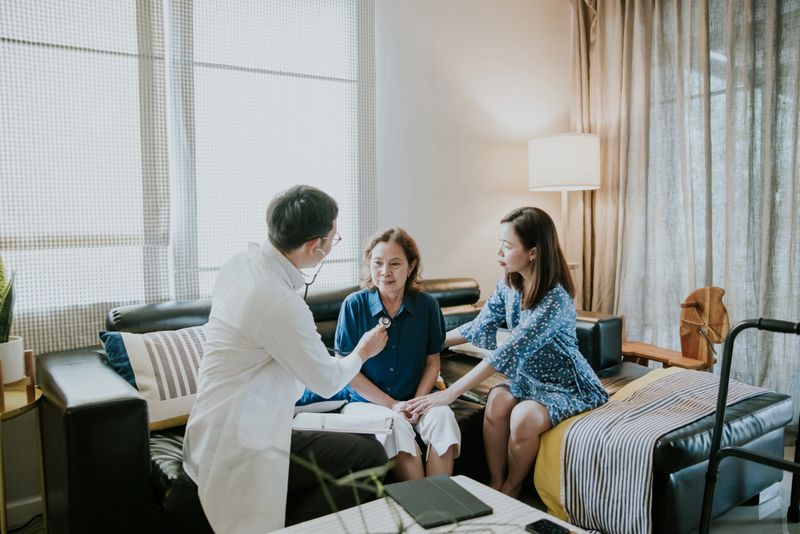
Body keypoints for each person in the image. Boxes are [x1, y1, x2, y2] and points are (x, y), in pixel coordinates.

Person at [182, 185, 389, 534]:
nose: (333, 244)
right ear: (314, 246)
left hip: (219, 420)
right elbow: (325, 382)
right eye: (334, 238)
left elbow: (276, 347)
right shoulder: (278, 300)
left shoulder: (241, 264)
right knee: (370, 457)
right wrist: (363, 351)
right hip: (242, 438)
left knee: (365, 449)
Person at [406, 207, 608, 498]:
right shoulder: (509, 284)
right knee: (498, 399)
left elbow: (507, 353)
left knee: (523, 417)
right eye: (500, 243)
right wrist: (427, 344)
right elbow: (479, 325)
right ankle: (496, 481)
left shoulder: (555, 299)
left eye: (507, 245)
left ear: (533, 252)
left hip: (566, 386)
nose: (499, 252)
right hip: (529, 379)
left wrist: (448, 394)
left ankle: (511, 487)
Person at [332, 227, 461, 480]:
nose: (385, 272)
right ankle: (424, 506)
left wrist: (417, 402)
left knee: (443, 416)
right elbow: (346, 372)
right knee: (396, 425)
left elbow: (432, 362)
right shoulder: (354, 306)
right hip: (365, 403)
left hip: (414, 398)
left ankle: (443, 502)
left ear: (411, 266)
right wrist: (393, 405)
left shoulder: (427, 306)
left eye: (395, 263)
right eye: (378, 263)